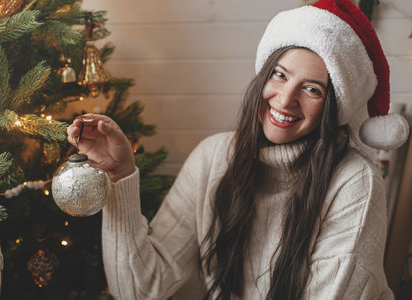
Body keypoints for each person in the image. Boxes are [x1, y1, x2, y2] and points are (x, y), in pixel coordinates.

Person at [67, 0, 409, 299]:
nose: (286, 99)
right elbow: (140, 290)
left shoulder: (354, 181)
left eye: (312, 89)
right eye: (279, 75)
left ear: (333, 107)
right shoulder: (214, 158)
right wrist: (120, 175)